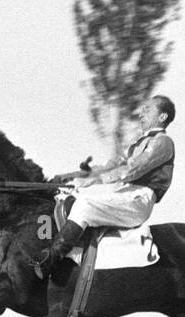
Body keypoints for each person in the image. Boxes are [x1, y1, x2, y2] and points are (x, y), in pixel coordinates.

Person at [33, 94, 176, 276]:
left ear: (162, 117)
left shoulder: (163, 142)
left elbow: (134, 168)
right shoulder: (137, 143)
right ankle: (75, 252)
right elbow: (110, 166)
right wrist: (71, 176)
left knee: (84, 206)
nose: (141, 114)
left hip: (139, 199)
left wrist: (95, 180)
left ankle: (51, 259)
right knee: (69, 198)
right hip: (124, 193)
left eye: (147, 110)